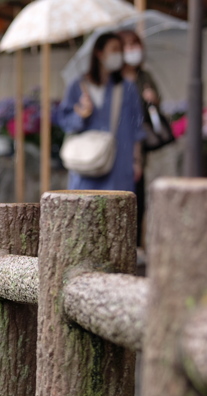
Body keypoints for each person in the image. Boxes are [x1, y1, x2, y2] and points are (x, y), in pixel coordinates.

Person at [58, 33, 145, 193]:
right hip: (85, 166)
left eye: (120, 50)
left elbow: (136, 128)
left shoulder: (128, 88)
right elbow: (65, 122)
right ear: (99, 52)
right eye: (114, 49)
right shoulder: (76, 86)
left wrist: (136, 161)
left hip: (119, 165)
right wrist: (81, 114)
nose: (119, 54)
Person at [119, 29, 166, 245]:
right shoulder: (113, 79)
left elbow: (154, 107)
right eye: (127, 46)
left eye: (135, 45)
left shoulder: (144, 76)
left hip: (139, 145)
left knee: (137, 194)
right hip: (118, 146)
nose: (132, 51)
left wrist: (153, 100)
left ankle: (135, 243)